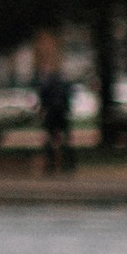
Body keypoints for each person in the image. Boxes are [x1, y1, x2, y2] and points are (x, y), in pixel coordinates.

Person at [31, 34, 74, 177]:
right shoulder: (64, 81)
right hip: (62, 112)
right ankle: (68, 165)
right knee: (65, 139)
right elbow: (69, 95)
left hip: (51, 113)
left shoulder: (47, 82)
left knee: (50, 139)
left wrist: (41, 110)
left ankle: (50, 165)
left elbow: (42, 98)